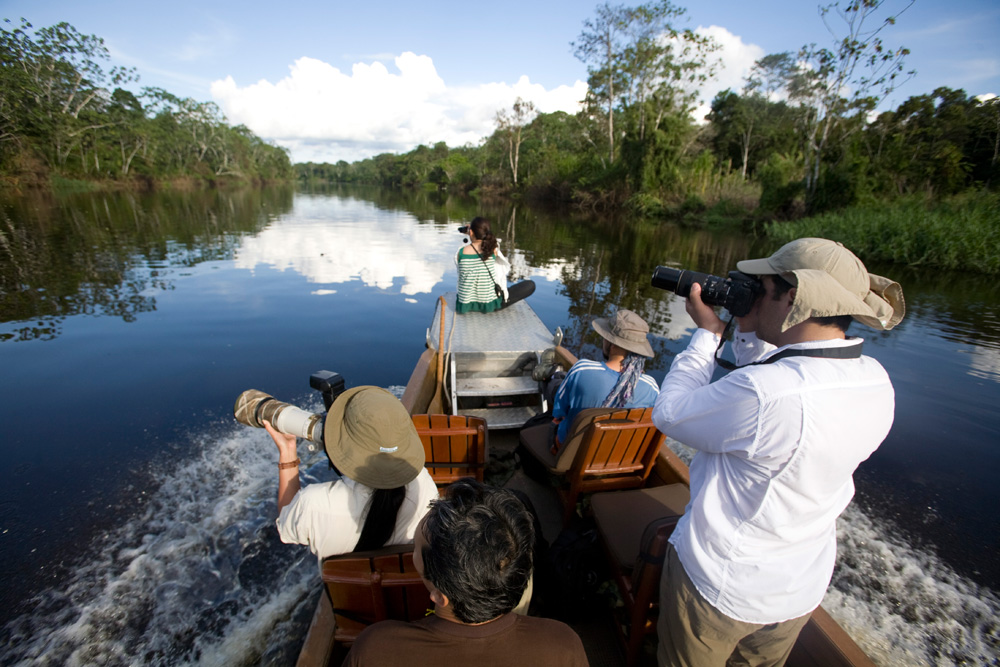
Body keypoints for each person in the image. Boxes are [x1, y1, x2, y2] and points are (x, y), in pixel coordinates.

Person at [650, 238, 905, 666]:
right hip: (797, 590)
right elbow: (779, 376)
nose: (751, 293)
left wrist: (706, 336)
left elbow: (670, 413)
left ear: (793, 295)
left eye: (761, 285)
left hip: (721, 586)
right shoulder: (876, 381)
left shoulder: (766, 395)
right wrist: (751, 332)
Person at [343, 479, 589, 667]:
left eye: (415, 549)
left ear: (441, 597)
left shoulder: (376, 649)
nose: (413, 554)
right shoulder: (562, 644)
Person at [264, 385, 439, 561]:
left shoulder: (313, 503)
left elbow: (286, 524)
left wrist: (287, 451)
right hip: (401, 586)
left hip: (344, 589)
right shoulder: (423, 485)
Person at [550, 308, 659, 446]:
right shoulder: (651, 388)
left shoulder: (582, 370)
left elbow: (559, 412)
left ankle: (549, 375)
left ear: (611, 344)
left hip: (571, 455)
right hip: (617, 460)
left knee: (554, 387)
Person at [455, 216, 534, 314]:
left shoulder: (461, 252)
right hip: (489, 305)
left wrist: (470, 234)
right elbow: (493, 242)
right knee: (530, 285)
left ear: (470, 232)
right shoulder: (492, 250)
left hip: (464, 304)